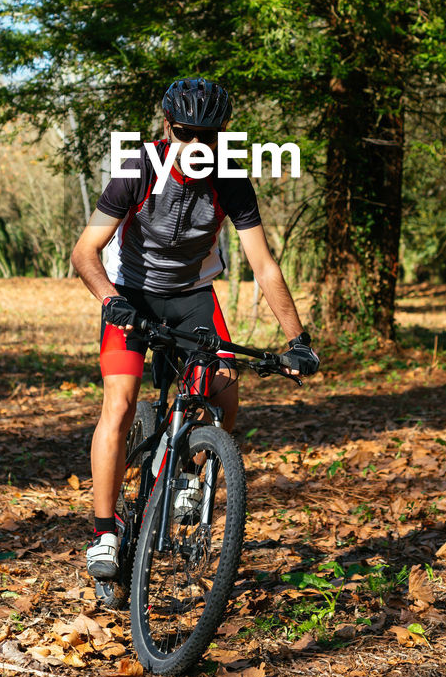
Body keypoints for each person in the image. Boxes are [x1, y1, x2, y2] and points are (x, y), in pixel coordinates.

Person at [70, 77, 320, 581]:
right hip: (131, 294)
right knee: (119, 404)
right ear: (168, 128)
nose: (196, 146)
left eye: (208, 136)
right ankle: (104, 530)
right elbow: (84, 252)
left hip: (192, 297)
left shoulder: (229, 178)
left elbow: (264, 265)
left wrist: (298, 341)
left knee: (226, 391)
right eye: (186, 133)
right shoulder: (138, 167)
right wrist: (111, 300)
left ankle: (188, 473)